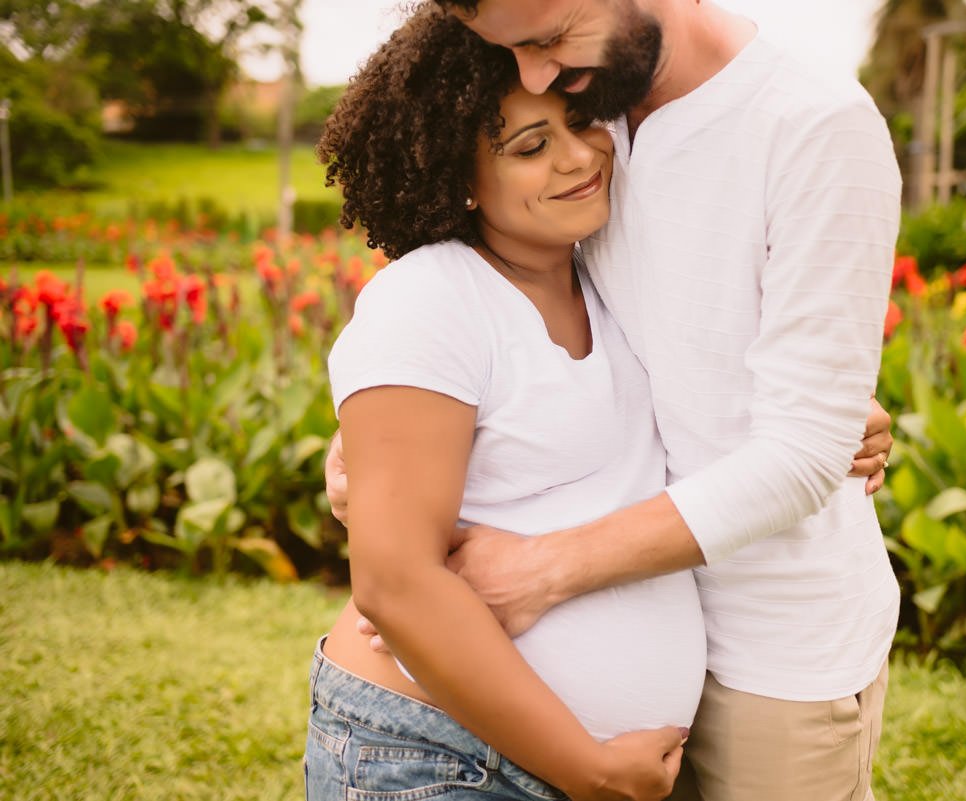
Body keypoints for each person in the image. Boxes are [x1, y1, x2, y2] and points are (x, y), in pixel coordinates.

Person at [329, 1, 904, 800]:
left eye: (546, 40)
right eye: (514, 54)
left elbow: (791, 436)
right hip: (500, 741)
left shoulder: (808, 123)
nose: (537, 73)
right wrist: (372, 449)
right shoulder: (597, 100)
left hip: (773, 651)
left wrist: (541, 568)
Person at [306, 7, 708, 801]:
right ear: (457, 179)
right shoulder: (429, 301)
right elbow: (395, 584)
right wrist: (587, 767)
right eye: (530, 147)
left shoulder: (610, 279)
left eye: (582, 122)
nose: (578, 157)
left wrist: (832, 420)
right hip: (434, 760)